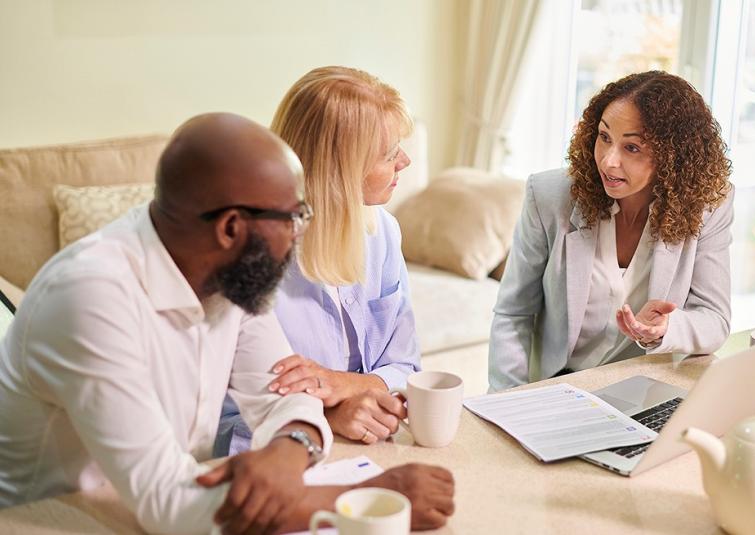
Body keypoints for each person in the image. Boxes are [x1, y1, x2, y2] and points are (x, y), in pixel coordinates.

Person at [0, 113, 454, 534]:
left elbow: (287, 395)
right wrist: (369, 499)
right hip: (51, 520)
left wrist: (288, 450)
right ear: (232, 227)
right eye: (295, 217)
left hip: (179, 506)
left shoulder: (225, 271)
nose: (301, 233)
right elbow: (169, 503)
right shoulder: (90, 298)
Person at [489, 71, 734, 391]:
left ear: (673, 157)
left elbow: (715, 319)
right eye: (604, 137)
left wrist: (665, 329)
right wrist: (508, 399)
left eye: (632, 147)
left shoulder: (708, 206)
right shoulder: (549, 196)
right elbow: (513, 313)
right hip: (556, 388)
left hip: (642, 390)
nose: (608, 161)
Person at [218, 66, 420, 449]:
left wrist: (345, 384)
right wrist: (325, 416)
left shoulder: (384, 232)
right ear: (341, 171)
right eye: (390, 154)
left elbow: (406, 366)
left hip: (372, 441)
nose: (405, 161)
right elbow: (224, 416)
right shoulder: (246, 260)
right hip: (276, 453)